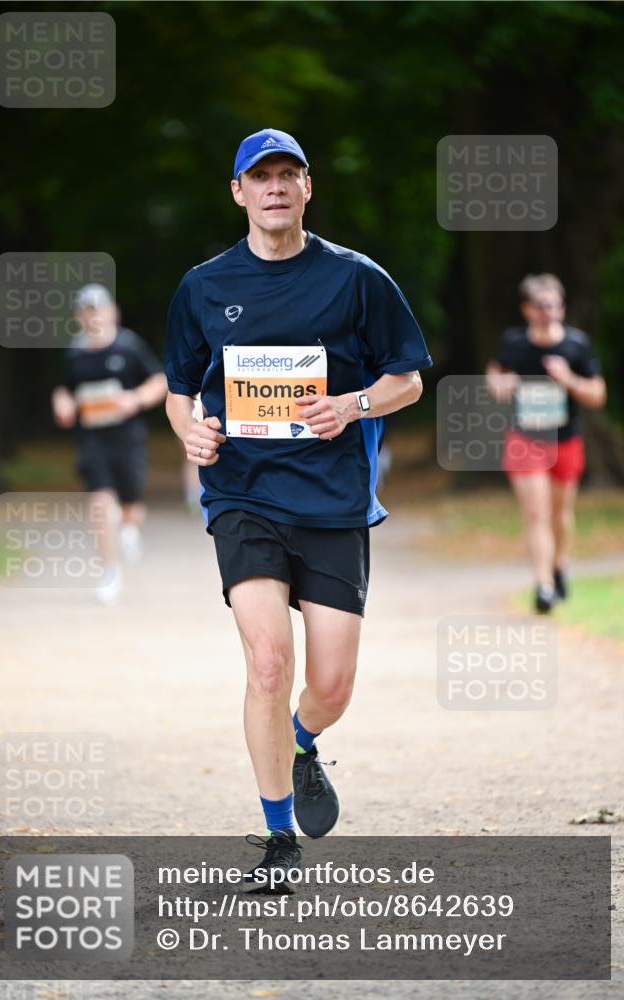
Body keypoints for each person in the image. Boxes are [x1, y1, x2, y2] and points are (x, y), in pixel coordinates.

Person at [165, 128, 431, 887]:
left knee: (333, 684)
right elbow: (182, 388)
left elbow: (407, 380)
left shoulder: (357, 279)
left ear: (307, 188)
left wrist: (350, 404)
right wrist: (192, 432)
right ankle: (278, 840)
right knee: (268, 661)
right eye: (261, 176)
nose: (275, 187)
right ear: (238, 192)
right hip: (242, 494)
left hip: (333, 498)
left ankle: (301, 742)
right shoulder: (204, 285)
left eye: (289, 174)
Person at [486, 273, 607, 613]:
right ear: (527, 309)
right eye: (542, 305)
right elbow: (494, 374)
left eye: (555, 304)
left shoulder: (576, 345)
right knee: (536, 512)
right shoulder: (513, 343)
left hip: (565, 440)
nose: (550, 311)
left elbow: (598, 394)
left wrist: (567, 378)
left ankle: (559, 564)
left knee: (559, 514)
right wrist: (501, 382)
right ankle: (544, 586)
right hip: (526, 439)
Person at [52, 284, 167, 601]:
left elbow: (159, 381)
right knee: (101, 503)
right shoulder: (75, 353)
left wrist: (135, 398)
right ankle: (109, 571)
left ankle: (129, 527)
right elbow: (64, 388)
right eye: (86, 311)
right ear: (79, 317)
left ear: (111, 312)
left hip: (127, 439)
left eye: (98, 309)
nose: (93, 317)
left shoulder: (128, 347)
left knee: (130, 505)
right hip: (92, 439)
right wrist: (62, 404)